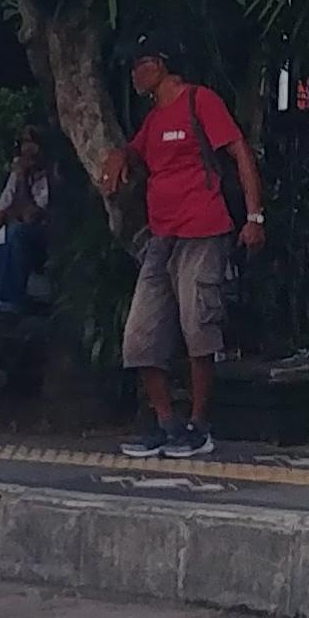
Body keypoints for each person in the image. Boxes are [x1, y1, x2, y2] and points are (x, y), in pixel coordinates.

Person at [98, 37, 263, 462]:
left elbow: (239, 150)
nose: (134, 74)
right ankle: (167, 420)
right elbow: (133, 151)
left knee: (198, 324)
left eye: (140, 65)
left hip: (202, 230)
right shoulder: (153, 119)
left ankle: (198, 423)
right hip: (162, 236)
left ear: (162, 64)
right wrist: (118, 156)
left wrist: (254, 216)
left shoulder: (199, 101)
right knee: (140, 333)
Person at [0, 126, 57, 310]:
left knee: (17, 231)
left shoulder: (53, 177)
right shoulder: (18, 175)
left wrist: (21, 179)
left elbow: (30, 217)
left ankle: (8, 303)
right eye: (24, 142)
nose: (27, 149)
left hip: (47, 246)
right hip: (18, 245)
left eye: (32, 142)